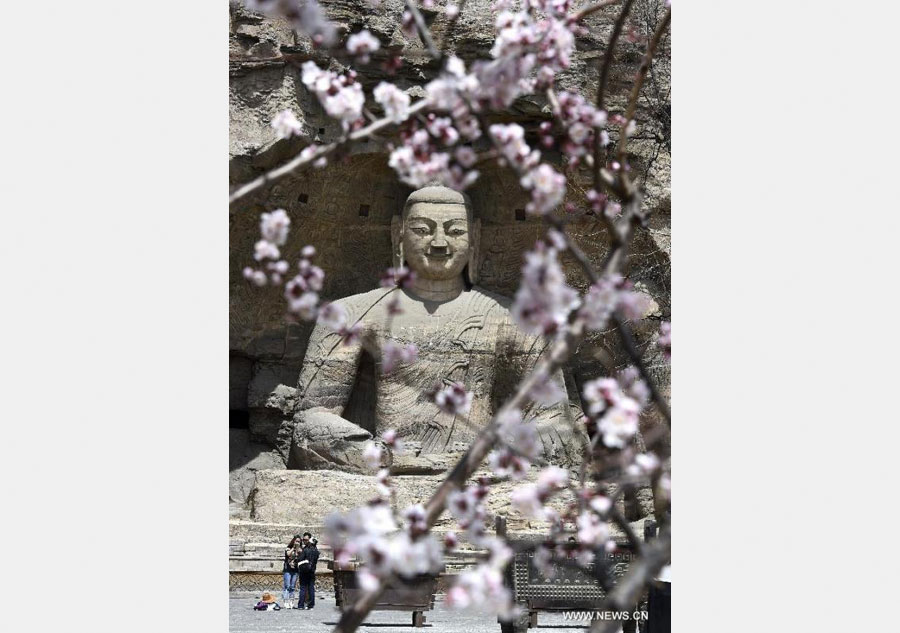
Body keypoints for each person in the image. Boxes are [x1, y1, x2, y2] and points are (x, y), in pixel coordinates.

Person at [296, 532, 319, 610]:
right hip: (312, 571)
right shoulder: (316, 551)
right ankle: (311, 605)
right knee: (311, 588)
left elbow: (300, 559)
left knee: (303, 588)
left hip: (304, 571)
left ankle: (301, 605)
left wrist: (299, 554)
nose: (304, 541)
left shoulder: (305, 550)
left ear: (309, 540)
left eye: (306, 540)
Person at [282, 535, 301, 609]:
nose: (297, 542)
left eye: (299, 541)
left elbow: (301, 556)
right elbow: (288, 554)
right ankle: (286, 601)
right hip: (288, 569)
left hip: (295, 570)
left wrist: (298, 549)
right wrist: (293, 548)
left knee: (292, 587)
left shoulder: (299, 550)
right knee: (287, 586)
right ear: (293, 541)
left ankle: (291, 601)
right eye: (296, 541)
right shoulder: (288, 548)